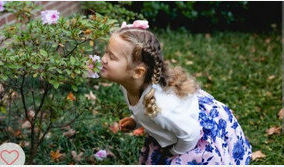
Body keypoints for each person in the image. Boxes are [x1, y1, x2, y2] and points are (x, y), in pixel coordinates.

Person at [100, 20, 252, 165]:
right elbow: (144, 108)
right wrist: (136, 120)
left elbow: (190, 134)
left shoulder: (163, 108)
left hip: (196, 135)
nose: (103, 59)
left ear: (138, 72)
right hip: (182, 123)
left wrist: (175, 151)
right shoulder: (131, 85)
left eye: (112, 57)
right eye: (106, 52)